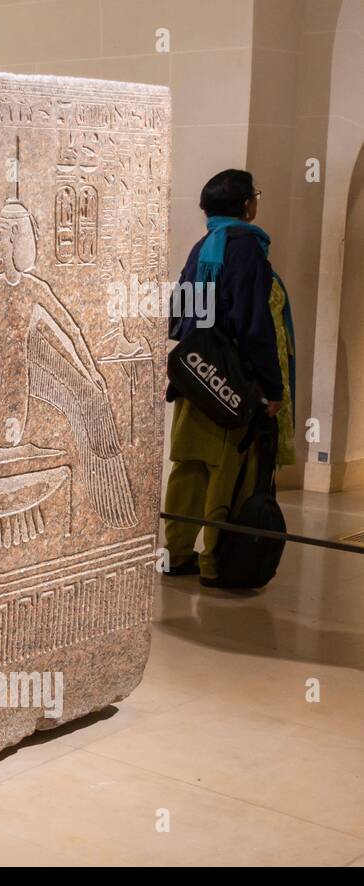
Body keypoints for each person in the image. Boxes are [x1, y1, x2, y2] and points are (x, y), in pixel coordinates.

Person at [163, 169, 296, 586]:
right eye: (255, 195)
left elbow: (176, 316)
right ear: (245, 205)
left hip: (193, 381)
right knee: (225, 474)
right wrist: (272, 390)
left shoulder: (202, 248)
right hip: (231, 386)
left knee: (189, 468)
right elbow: (255, 327)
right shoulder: (248, 251)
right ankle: (212, 564)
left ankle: (176, 554)